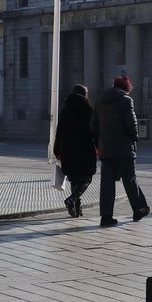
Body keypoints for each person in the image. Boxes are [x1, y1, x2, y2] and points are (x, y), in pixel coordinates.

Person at [95, 75, 151, 227]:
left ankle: (106, 217)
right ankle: (139, 209)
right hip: (124, 149)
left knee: (107, 184)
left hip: (106, 149)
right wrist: (135, 138)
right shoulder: (126, 101)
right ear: (126, 88)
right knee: (130, 179)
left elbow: (93, 125)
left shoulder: (101, 101)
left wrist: (99, 142)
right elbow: (132, 124)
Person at [52, 85, 98, 218]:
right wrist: (99, 145)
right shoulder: (88, 109)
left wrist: (57, 150)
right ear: (84, 94)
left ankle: (77, 209)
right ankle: (72, 199)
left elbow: (59, 131)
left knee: (74, 179)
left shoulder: (65, 110)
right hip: (84, 149)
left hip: (67, 149)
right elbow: (94, 131)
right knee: (86, 178)